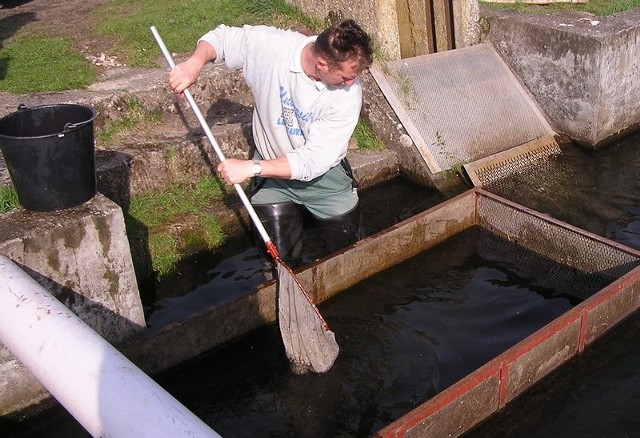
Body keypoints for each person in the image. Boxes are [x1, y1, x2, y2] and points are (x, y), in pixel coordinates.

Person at [169, 19, 374, 267]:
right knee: (280, 265)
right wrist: (194, 63)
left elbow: (311, 161)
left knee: (351, 260)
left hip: (325, 180)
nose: (351, 83)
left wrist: (251, 168)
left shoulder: (348, 95)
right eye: (345, 77)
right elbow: (221, 38)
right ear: (322, 64)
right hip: (274, 181)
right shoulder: (272, 47)